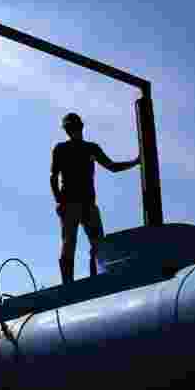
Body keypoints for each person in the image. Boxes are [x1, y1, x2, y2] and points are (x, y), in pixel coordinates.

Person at [50, 112, 140, 285]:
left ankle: (96, 280)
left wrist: (135, 162)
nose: (72, 131)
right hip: (69, 204)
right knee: (70, 244)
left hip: (87, 204)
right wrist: (59, 201)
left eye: (74, 127)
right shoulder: (61, 149)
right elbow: (53, 177)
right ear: (67, 130)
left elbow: (112, 166)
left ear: (80, 127)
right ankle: (68, 284)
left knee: (98, 245)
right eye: (70, 128)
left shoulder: (90, 148)